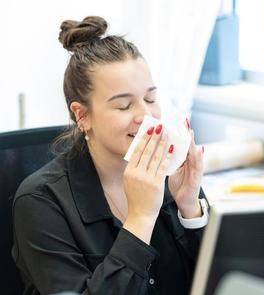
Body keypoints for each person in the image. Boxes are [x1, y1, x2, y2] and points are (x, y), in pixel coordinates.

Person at [12, 16, 209, 295]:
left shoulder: (168, 176)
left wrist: (190, 209)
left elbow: (219, 283)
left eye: (151, 99)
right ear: (82, 115)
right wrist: (140, 218)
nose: (146, 115)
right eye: (124, 105)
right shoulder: (41, 201)